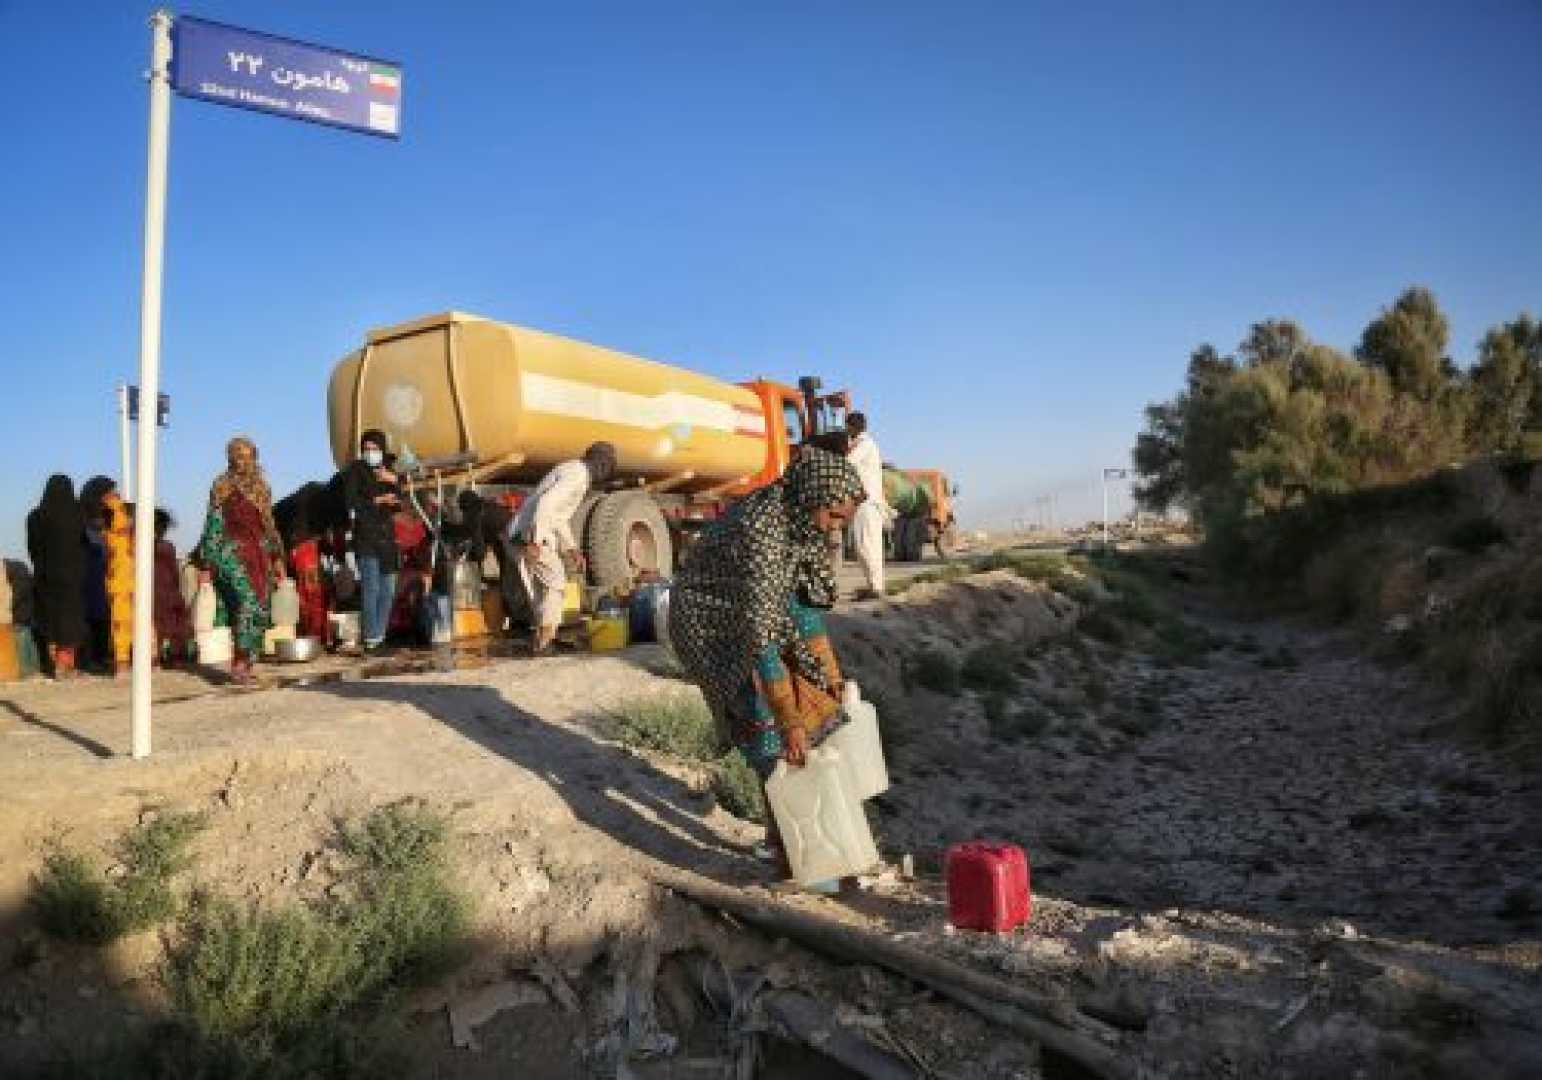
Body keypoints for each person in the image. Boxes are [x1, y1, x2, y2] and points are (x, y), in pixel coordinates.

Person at [668, 447, 866, 881]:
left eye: (842, 521)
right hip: (710, 623)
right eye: (832, 517)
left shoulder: (801, 522)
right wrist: (787, 715)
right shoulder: (763, 531)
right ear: (812, 497)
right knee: (766, 733)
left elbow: (802, 609)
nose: (835, 530)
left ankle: (804, 843)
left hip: (757, 613)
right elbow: (760, 636)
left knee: (808, 725)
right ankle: (792, 855)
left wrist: (829, 676)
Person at [509, 442, 617, 654]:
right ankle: (546, 639)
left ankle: (541, 639)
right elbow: (547, 503)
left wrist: (571, 548)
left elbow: (559, 516)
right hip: (531, 535)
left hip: (521, 533)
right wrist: (536, 541)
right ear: (601, 464)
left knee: (542, 592)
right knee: (555, 580)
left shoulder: (572, 470)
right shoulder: (577, 475)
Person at [197, 436, 285, 683]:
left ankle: (248, 662)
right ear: (230, 458)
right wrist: (207, 563)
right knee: (245, 604)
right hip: (231, 553)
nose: (243, 462)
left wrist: (277, 559)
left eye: (248, 456)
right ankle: (238, 662)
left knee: (261, 607)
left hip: (259, 555)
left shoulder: (262, 487)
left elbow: (268, 525)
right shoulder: (222, 485)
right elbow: (213, 523)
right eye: (238, 456)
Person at [344, 430, 402, 652]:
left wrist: (393, 482)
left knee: (388, 588)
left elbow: (400, 502)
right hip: (366, 535)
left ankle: (380, 635)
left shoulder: (389, 471)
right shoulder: (355, 471)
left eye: (374, 448)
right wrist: (377, 499)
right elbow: (351, 501)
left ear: (382, 448)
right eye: (366, 449)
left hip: (387, 536)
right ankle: (371, 638)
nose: (370, 453)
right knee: (371, 587)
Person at [25, 475, 87, 678]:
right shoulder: (77, 513)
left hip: (45, 575)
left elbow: (32, 548)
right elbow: (83, 543)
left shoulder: (34, 516)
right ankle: (64, 666)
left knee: (50, 620)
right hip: (71, 575)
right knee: (70, 621)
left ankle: (52, 664)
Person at [845, 412, 891, 599]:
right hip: (866, 502)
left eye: (847, 426)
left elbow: (847, 463)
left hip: (867, 502)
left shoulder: (865, 444)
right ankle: (874, 586)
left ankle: (876, 588)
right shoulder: (862, 444)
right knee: (866, 546)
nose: (846, 430)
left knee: (866, 546)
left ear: (852, 427)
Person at [78, 475, 114, 672]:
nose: (111, 496)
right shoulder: (82, 515)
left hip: (105, 570)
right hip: (90, 570)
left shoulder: (109, 514)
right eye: (107, 493)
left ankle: (101, 656)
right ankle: (89, 659)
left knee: (103, 616)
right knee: (91, 615)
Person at [101, 489, 134, 676]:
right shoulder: (120, 526)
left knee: (121, 623)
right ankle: (124, 663)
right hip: (127, 577)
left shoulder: (109, 532)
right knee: (128, 622)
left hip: (118, 578)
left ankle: (122, 663)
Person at [153, 509, 191, 667]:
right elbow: (174, 571)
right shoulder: (167, 546)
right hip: (164, 588)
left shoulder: (142, 544)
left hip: (159, 589)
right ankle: (173, 657)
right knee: (170, 624)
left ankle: (161, 657)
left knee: (162, 624)